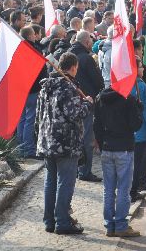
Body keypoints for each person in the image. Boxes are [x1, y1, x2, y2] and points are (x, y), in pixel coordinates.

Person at [36, 52, 92, 234]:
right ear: (74, 67)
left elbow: (38, 116)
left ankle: (49, 221)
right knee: (65, 182)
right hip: (66, 142)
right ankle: (62, 222)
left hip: (47, 141)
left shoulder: (46, 87)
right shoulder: (68, 87)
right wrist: (88, 104)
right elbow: (74, 114)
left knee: (50, 181)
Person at [93, 80, 143, 237]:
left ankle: (109, 224)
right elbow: (135, 125)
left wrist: (102, 145)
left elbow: (97, 125)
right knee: (123, 188)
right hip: (124, 149)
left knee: (108, 188)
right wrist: (139, 110)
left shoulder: (100, 97)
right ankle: (120, 224)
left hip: (107, 148)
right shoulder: (128, 99)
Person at [69, 30, 104, 182]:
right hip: (85, 101)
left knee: (76, 136)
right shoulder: (87, 59)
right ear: (87, 42)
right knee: (87, 138)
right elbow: (97, 81)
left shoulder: (68, 54)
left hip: (71, 102)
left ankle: (76, 169)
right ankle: (84, 171)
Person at [15, 26, 48, 158]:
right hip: (33, 90)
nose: (36, 36)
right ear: (30, 36)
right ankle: (28, 149)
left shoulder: (18, 49)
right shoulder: (34, 50)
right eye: (34, 34)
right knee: (29, 119)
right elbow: (40, 71)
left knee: (22, 119)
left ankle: (20, 147)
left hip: (21, 89)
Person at [130, 56, 146, 202]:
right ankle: (135, 188)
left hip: (129, 131)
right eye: (140, 66)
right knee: (138, 163)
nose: (143, 69)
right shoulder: (141, 87)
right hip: (141, 131)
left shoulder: (126, 84)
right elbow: (145, 111)